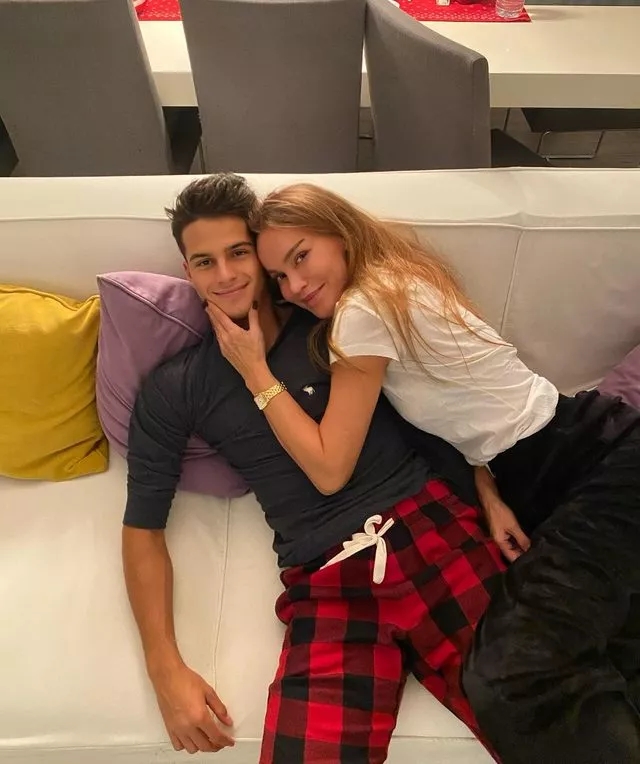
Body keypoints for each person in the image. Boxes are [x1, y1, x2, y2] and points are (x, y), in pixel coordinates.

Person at [207, 181, 640, 763]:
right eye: (279, 277)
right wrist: (488, 485)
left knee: (510, 673)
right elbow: (474, 402)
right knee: (616, 657)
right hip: (558, 465)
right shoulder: (396, 280)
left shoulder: (361, 313)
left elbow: (330, 467)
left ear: (340, 235)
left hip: (594, 461)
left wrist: (255, 371)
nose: (295, 286)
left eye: (301, 256)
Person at [122, 174, 506, 763]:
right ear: (187, 271)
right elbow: (142, 528)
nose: (224, 275)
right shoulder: (178, 388)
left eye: (238, 253)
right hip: (326, 582)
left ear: (262, 255)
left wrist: (489, 487)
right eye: (204, 262)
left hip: (431, 533)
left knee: (552, 721)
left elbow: (445, 407)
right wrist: (164, 667)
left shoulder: (337, 322)